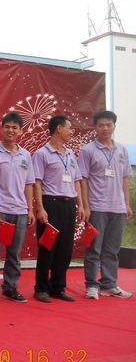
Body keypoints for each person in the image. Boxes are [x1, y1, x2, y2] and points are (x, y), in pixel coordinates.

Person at [78, 110, 133, 299]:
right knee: (94, 248)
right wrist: (85, 206)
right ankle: (92, 285)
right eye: (101, 125)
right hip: (97, 207)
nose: (105, 128)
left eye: (108, 125)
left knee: (112, 249)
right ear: (95, 127)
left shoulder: (122, 150)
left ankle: (109, 284)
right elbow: (83, 180)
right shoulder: (88, 150)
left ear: (114, 127)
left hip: (117, 207)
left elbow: (125, 179)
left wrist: (127, 204)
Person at [0, 112, 36, 304]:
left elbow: (29, 184)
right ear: (1, 128)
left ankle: (10, 288)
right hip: (0, 211)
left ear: (20, 130)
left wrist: (30, 209)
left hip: (20, 211)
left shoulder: (25, 155)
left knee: (14, 254)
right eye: (7, 127)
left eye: (14, 127)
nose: (10, 130)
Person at [32, 115, 84, 303]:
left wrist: (80, 204)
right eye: (69, 128)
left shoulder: (70, 154)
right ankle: (41, 288)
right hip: (51, 204)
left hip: (69, 205)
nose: (71, 131)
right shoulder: (42, 154)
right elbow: (37, 182)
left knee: (65, 248)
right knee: (48, 247)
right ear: (59, 129)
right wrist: (40, 208)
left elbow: (77, 181)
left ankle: (58, 287)